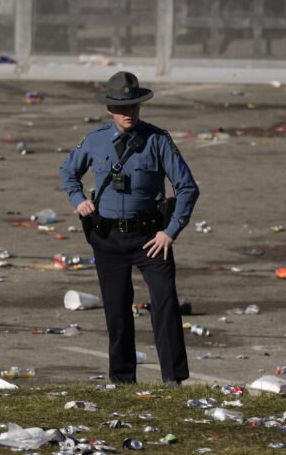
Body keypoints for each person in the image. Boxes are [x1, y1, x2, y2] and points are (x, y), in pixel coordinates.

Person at [59, 71, 199, 384]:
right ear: (110, 109)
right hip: (107, 238)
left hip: (151, 239)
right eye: (122, 108)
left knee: (165, 305)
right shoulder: (95, 140)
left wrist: (171, 231)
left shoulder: (158, 140)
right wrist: (77, 199)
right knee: (117, 312)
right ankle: (123, 380)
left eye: (134, 106)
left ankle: (173, 379)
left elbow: (187, 188)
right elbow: (68, 171)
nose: (129, 113)